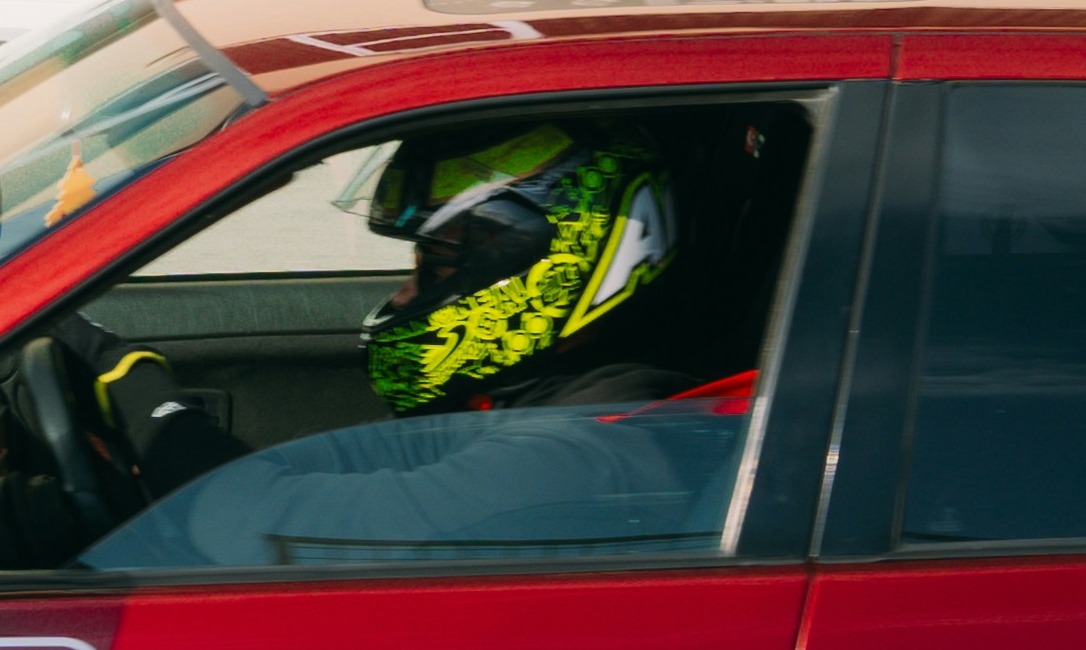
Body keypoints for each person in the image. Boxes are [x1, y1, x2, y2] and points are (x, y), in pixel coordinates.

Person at [70, 120, 757, 573]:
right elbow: (288, 474)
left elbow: (254, 524)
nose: (403, 296)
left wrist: (133, 386)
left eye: (435, 267)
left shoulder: (589, 454)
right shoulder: (530, 403)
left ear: (543, 264)